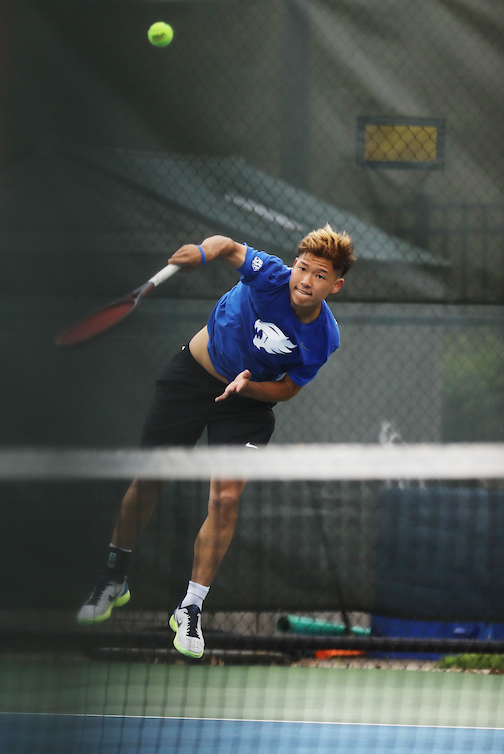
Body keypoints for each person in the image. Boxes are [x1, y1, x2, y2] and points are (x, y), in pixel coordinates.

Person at [77, 226, 355, 659]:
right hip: (192, 378)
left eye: (319, 275)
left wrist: (249, 387)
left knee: (226, 501)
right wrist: (202, 254)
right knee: (150, 479)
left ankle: (190, 608)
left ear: (334, 286)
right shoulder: (269, 275)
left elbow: (287, 388)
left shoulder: (324, 338)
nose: (305, 280)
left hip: (244, 404)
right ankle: (115, 577)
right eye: (303, 268)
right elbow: (226, 246)